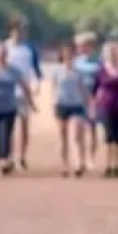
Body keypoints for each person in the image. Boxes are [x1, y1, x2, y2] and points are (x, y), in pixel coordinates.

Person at [0, 42, 31, 175]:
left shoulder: (13, 70)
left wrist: (30, 101)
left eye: (3, 53)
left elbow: (25, 86)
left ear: (6, 55)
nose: (1, 55)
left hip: (9, 107)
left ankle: (4, 160)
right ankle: (2, 158)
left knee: (5, 133)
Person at [3, 17, 42, 171]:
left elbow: (35, 69)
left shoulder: (29, 49)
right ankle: (9, 155)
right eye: (16, 31)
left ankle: (22, 156)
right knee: (9, 126)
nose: (18, 34)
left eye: (21, 31)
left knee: (24, 125)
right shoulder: (5, 47)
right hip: (8, 91)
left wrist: (36, 84)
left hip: (24, 91)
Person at [93, 41, 118, 178]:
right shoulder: (101, 71)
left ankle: (115, 166)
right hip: (105, 106)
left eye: (113, 52)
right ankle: (107, 165)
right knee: (108, 137)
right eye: (109, 53)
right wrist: (93, 105)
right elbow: (95, 89)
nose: (112, 55)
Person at [50, 40, 90, 177]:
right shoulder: (56, 71)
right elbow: (54, 88)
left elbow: (83, 90)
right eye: (65, 52)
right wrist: (53, 102)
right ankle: (64, 165)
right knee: (63, 137)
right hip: (62, 104)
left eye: (70, 53)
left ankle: (79, 162)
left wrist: (89, 105)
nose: (68, 55)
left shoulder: (78, 72)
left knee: (76, 135)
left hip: (76, 105)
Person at [72, 31, 103, 171]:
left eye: (83, 45)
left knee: (92, 130)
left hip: (94, 98)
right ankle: (79, 158)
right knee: (77, 130)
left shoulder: (99, 62)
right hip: (78, 98)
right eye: (79, 46)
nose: (81, 48)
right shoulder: (75, 63)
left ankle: (91, 157)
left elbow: (103, 80)